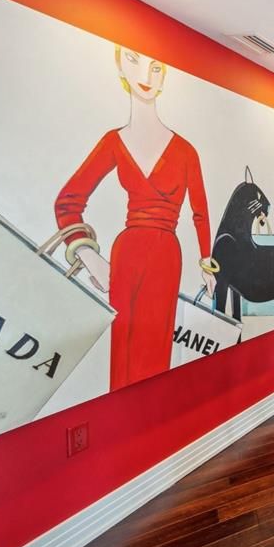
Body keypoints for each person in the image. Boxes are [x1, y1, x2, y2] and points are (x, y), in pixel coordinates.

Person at [55, 45, 217, 390]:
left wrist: (207, 263)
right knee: (123, 347)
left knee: (154, 352)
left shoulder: (186, 150)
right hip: (126, 252)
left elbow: (200, 213)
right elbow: (67, 202)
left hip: (165, 256)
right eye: (134, 60)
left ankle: (151, 424)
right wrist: (88, 257)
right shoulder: (114, 142)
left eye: (156, 67)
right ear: (120, 68)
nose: (146, 75)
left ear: (164, 77)